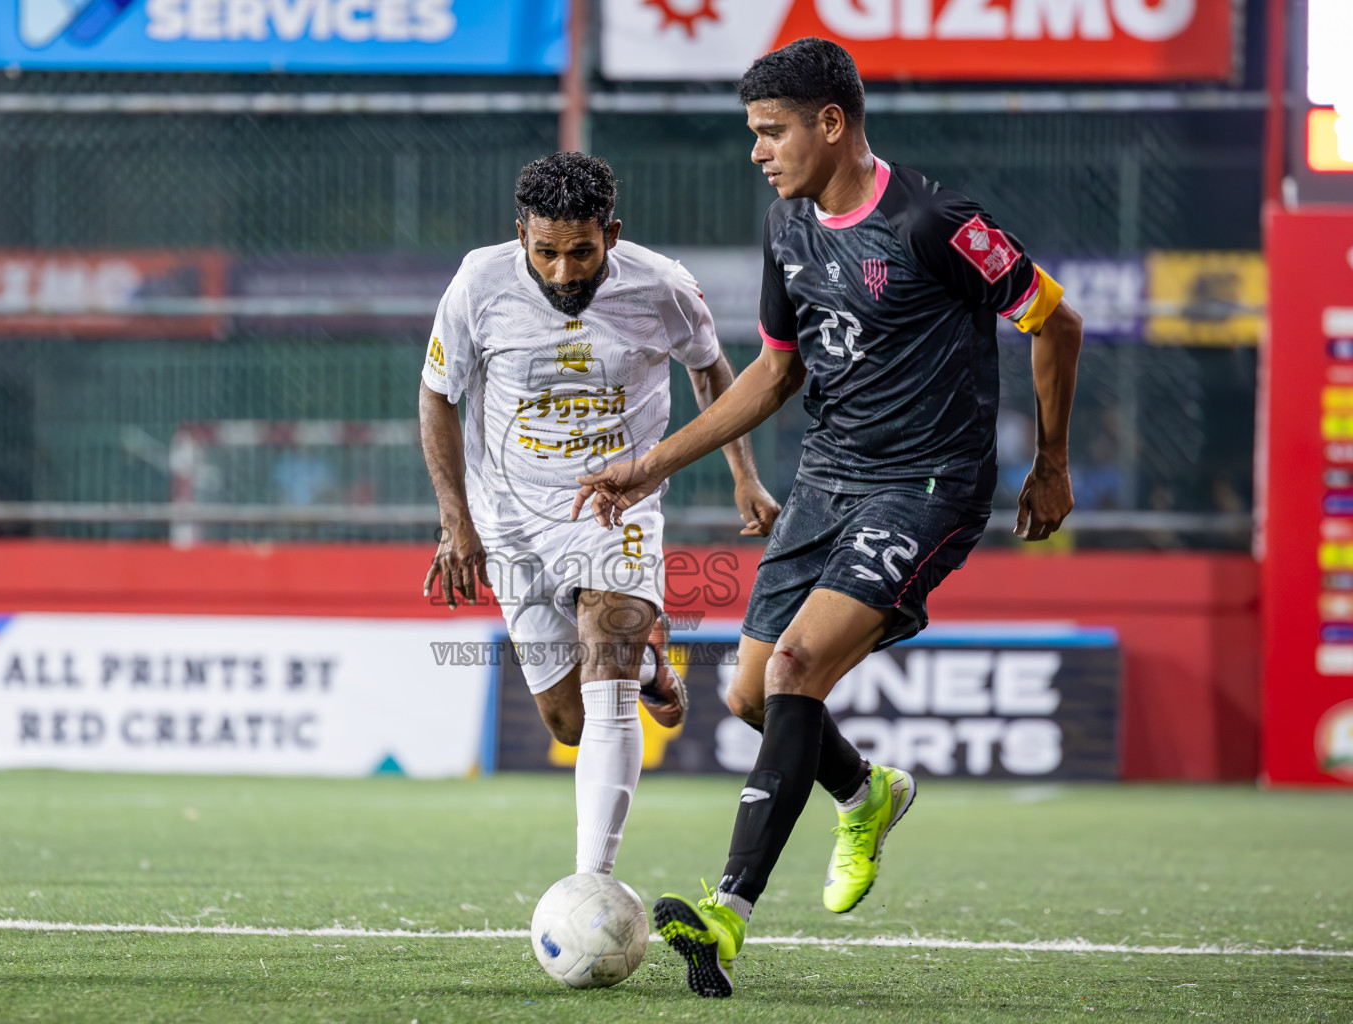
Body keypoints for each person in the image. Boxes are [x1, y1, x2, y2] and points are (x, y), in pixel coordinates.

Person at [573, 38, 1083, 997]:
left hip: (928, 483)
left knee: (800, 666)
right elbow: (776, 369)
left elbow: (1055, 319)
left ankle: (726, 915)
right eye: (754, 134)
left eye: (771, 133)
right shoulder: (786, 225)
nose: (759, 152)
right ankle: (867, 792)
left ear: (831, 123)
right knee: (751, 695)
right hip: (827, 479)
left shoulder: (934, 220)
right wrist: (650, 466)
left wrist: (1051, 462)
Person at [419, 152, 781, 881]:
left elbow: (712, 369)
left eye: (580, 251)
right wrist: (456, 520)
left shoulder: (664, 286)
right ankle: (651, 666)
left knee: (604, 673)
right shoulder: (477, 285)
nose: (562, 272)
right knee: (569, 723)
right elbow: (437, 394)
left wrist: (744, 475)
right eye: (545, 251)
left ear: (610, 234)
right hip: (512, 518)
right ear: (518, 233)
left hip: (618, 506)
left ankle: (592, 883)